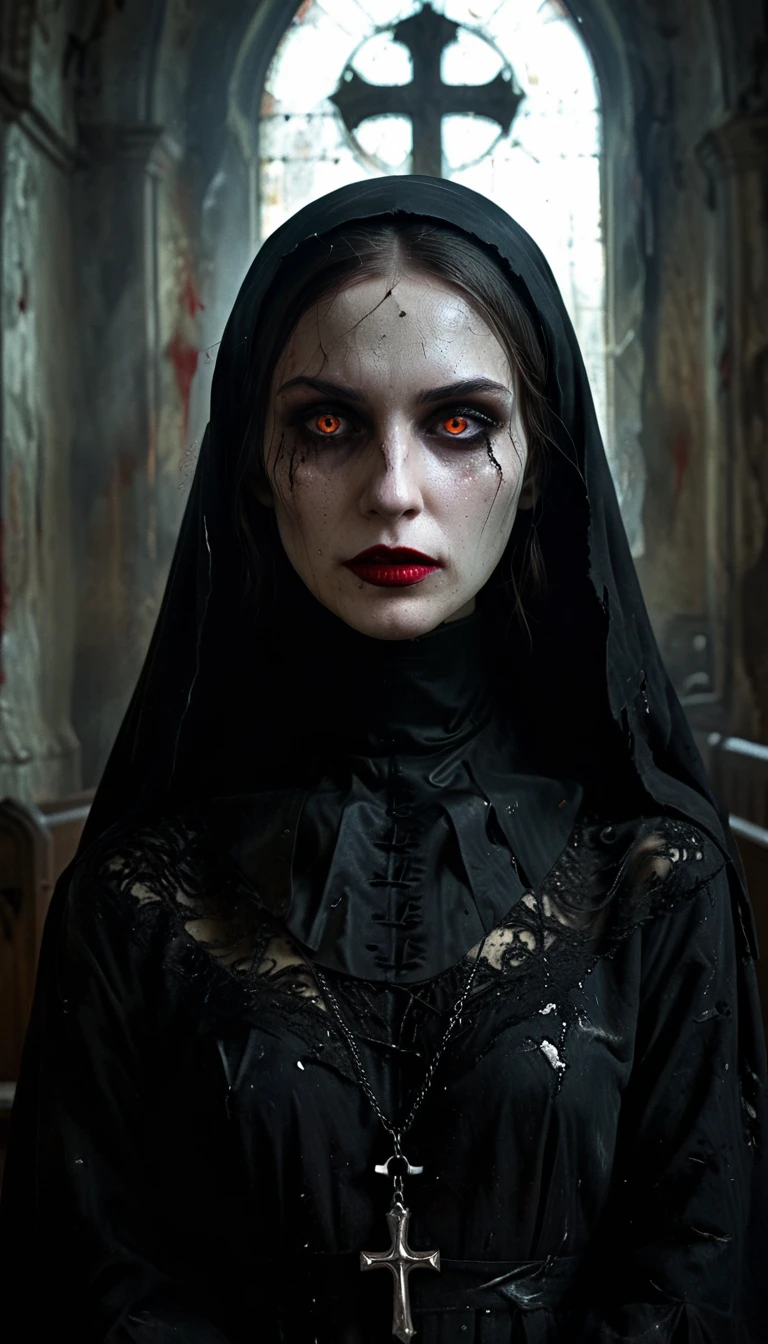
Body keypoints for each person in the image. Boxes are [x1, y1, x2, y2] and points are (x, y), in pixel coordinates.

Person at [0, 176, 766, 1344]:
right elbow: (96, 1287)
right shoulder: (136, 902)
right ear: (257, 464)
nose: (394, 492)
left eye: (460, 425)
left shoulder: (657, 884)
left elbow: (700, 1282)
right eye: (328, 423)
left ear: (540, 462)